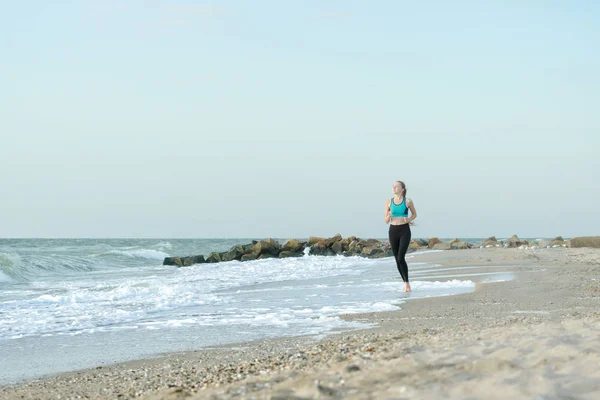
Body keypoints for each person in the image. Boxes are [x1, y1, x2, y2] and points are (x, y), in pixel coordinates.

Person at [384, 181, 417, 292]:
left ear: (402, 189)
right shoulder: (389, 202)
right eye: (393, 186)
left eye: (396, 186)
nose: (393, 188)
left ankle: (407, 284)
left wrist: (408, 219)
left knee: (400, 257)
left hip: (404, 230)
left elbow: (414, 214)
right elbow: (385, 221)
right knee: (396, 259)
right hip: (393, 230)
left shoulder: (407, 201)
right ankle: (405, 283)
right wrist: (388, 215)